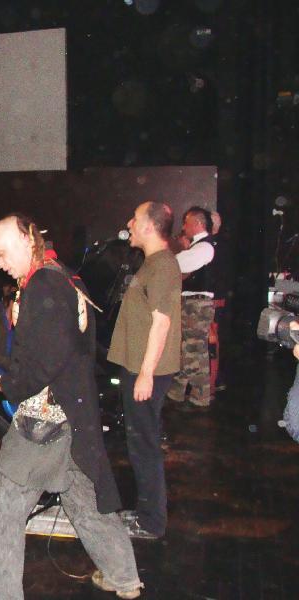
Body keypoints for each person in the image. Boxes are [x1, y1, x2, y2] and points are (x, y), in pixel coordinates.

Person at [0, 214, 141, 600]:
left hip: (42, 420)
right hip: (74, 414)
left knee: (3, 511)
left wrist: (7, 384)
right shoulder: (62, 275)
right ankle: (124, 578)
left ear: (28, 239)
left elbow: (45, 361)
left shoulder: (42, 285)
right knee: (87, 503)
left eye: (1, 252)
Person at [107, 201, 182, 540]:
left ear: (150, 226)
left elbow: (161, 323)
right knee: (140, 443)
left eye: (135, 219)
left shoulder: (163, 265)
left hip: (145, 370)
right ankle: (146, 511)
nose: (129, 223)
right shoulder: (151, 264)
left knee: (144, 445)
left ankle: (152, 522)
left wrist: (147, 373)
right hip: (138, 367)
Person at [167, 206, 216, 408]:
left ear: (197, 223)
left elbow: (178, 264)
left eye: (186, 222)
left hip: (197, 304)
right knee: (187, 349)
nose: (183, 227)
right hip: (192, 303)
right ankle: (179, 392)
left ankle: (200, 395)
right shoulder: (199, 246)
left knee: (195, 349)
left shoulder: (205, 247)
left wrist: (180, 250)